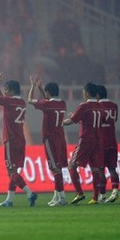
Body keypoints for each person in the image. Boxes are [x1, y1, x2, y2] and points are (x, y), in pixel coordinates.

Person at [0, 73, 38, 207]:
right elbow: (2, 98)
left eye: (6, 89)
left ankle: (29, 192)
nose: (5, 91)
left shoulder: (8, 101)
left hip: (11, 139)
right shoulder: (21, 102)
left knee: (11, 171)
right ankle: (9, 200)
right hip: (21, 139)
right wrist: (1, 92)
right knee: (14, 172)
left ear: (12, 90)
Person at [63, 82, 105, 205]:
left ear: (86, 93)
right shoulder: (100, 106)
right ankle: (95, 198)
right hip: (97, 140)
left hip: (86, 140)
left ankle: (79, 193)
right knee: (96, 169)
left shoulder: (84, 106)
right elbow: (97, 121)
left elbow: (70, 121)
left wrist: (60, 122)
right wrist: (80, 119)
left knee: (72, 166)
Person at [28, 77, 68, 206]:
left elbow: (30, 100)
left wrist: (33, 86)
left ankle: (62, 198)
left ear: (48, 92)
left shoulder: (47, 105)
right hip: (61, 138)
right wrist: (41, 88)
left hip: (50, 139)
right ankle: (57, 196)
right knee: (58, 168)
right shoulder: (62, 103)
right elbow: (48, 98)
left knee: (55, 169)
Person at [97, 85, 120, 203]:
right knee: (112, 168)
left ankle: (102, 195)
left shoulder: (96, 107)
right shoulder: (114, 106)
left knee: (101, 170)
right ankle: (115, 191)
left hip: (100, 142)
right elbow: (114, 120)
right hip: (112, 141)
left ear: (97, 95)